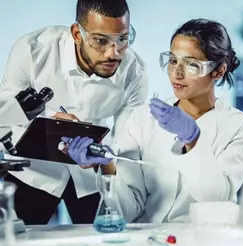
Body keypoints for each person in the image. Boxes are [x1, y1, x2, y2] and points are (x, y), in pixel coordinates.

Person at [64, 18, 243, 223]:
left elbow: (215, 198)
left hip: (204, 245)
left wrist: (193, 139)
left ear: (218, 71)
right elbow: (128, 211)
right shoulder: (142, 119)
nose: (177, 73)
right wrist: (105, 164)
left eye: (192, 64)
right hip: (148, 244)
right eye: (173, 61)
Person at [0, 0, 148, 224]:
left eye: (123, 39)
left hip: (90, 174)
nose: (114, 53)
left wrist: (104, 157)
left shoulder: (134, 72)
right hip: (34, 171)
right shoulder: (32, 50)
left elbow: (129, 143)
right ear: (77, 33)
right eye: (101, 40)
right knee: (14, 244)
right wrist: (49, 126)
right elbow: (4, 118)